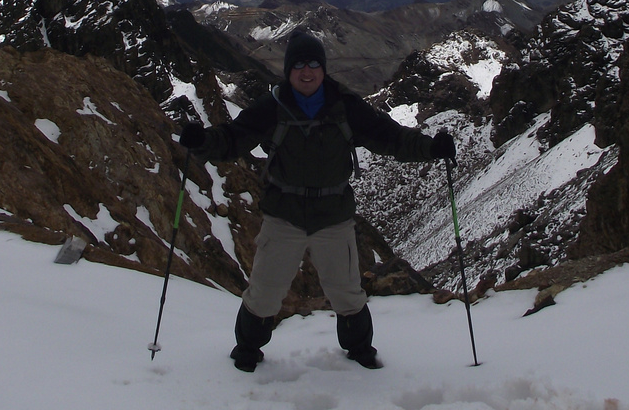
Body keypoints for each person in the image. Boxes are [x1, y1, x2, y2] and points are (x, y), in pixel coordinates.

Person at [178, 28, 454, 371]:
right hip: (284, 215)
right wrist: (202, 142)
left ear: (323, 69)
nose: (306, 72)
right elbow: (232, 138)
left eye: (313, 64)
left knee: (347, 293)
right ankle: (248, 349)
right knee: (264, 291)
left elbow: (390, 137)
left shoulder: (346, 107)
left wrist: (431, 148)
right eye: (298, 65)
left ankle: (359, 349)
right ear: (288, 70)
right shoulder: (272, 108)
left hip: (332, 217)